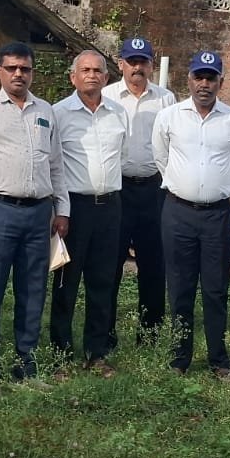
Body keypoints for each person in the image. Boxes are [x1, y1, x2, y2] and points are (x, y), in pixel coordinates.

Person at [0, 42, 67, 397]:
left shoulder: (45, 111)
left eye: (25, 69)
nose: (19, 74)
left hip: (38, 213)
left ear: (32, 72)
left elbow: (56, 165)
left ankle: (26, 367)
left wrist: (62, 209)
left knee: (33, 291)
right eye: (12, 68)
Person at [152, 51, 230, 380]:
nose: (204, 84)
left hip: (217, 216)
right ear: (189, 80)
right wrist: (187, 185)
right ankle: (179, 359)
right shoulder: (169, 117)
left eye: (211, 78)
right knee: (179, 287)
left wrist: (209, 187)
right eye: (199, 77)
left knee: (216, 289)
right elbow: (161, 158)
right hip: (178, 212)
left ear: (221, 81)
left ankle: (218, 359)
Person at [50, 50, 129, 376]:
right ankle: (60, 354)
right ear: (73, 77)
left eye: (98, 70)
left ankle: (96, 353)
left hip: (110, 207)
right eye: (85, 70)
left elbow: (122, 156)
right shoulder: (58, 114)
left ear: (106, 78)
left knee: (103, 282)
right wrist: (59, 210)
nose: (92, 75)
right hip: (74, 209)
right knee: (65, 283)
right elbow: (53, 165)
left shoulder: (118, 114)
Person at [102, 37, 176, 340]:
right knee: (110, 263)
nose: (137, 67)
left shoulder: (166, 99)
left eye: (142, 61)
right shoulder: (107, 95)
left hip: (153, 189)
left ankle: (150, 334)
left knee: (154, 263)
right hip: (117, 189)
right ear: (121, 63)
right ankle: (105, 333)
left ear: (151, 65)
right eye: (131, 61)